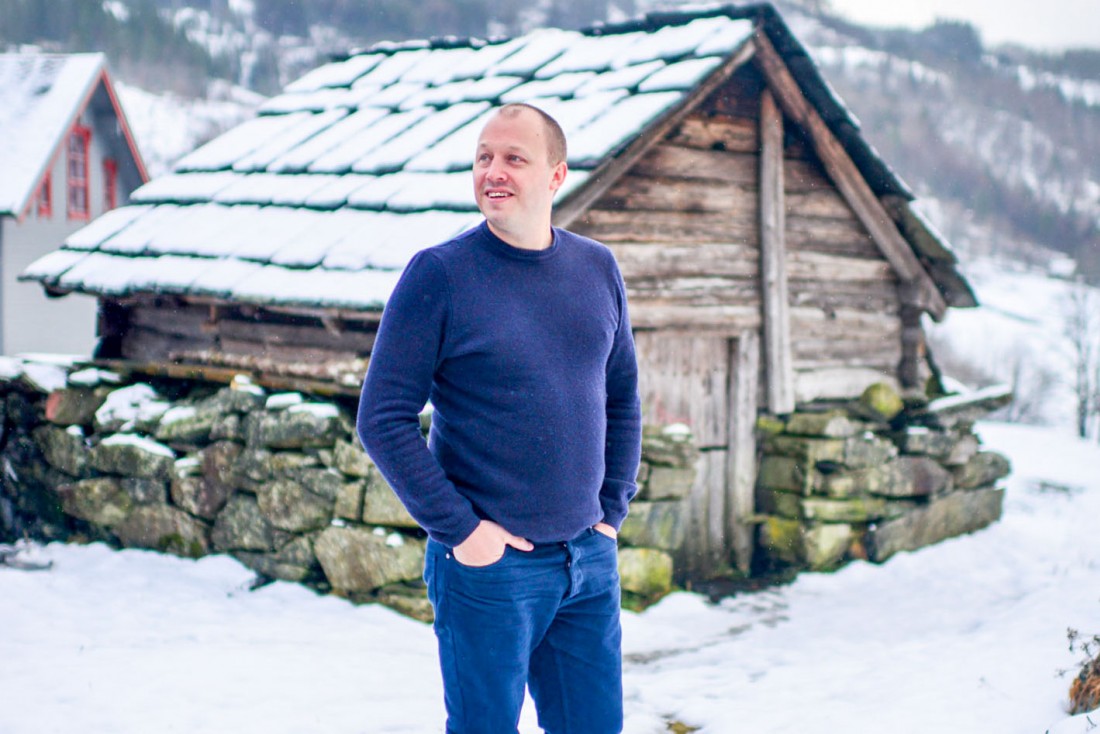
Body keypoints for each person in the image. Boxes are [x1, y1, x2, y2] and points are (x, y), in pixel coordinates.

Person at [356, 102, 642, 734]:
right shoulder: (440, 274)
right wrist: (463, 532)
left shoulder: (597, 268)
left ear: (557, 175)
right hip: (490, 570)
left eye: (515, 158)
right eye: (484, 157)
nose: (494, 171)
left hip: (587, 562)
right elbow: (382, 418)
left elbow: (620, 396)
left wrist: (610, 513)